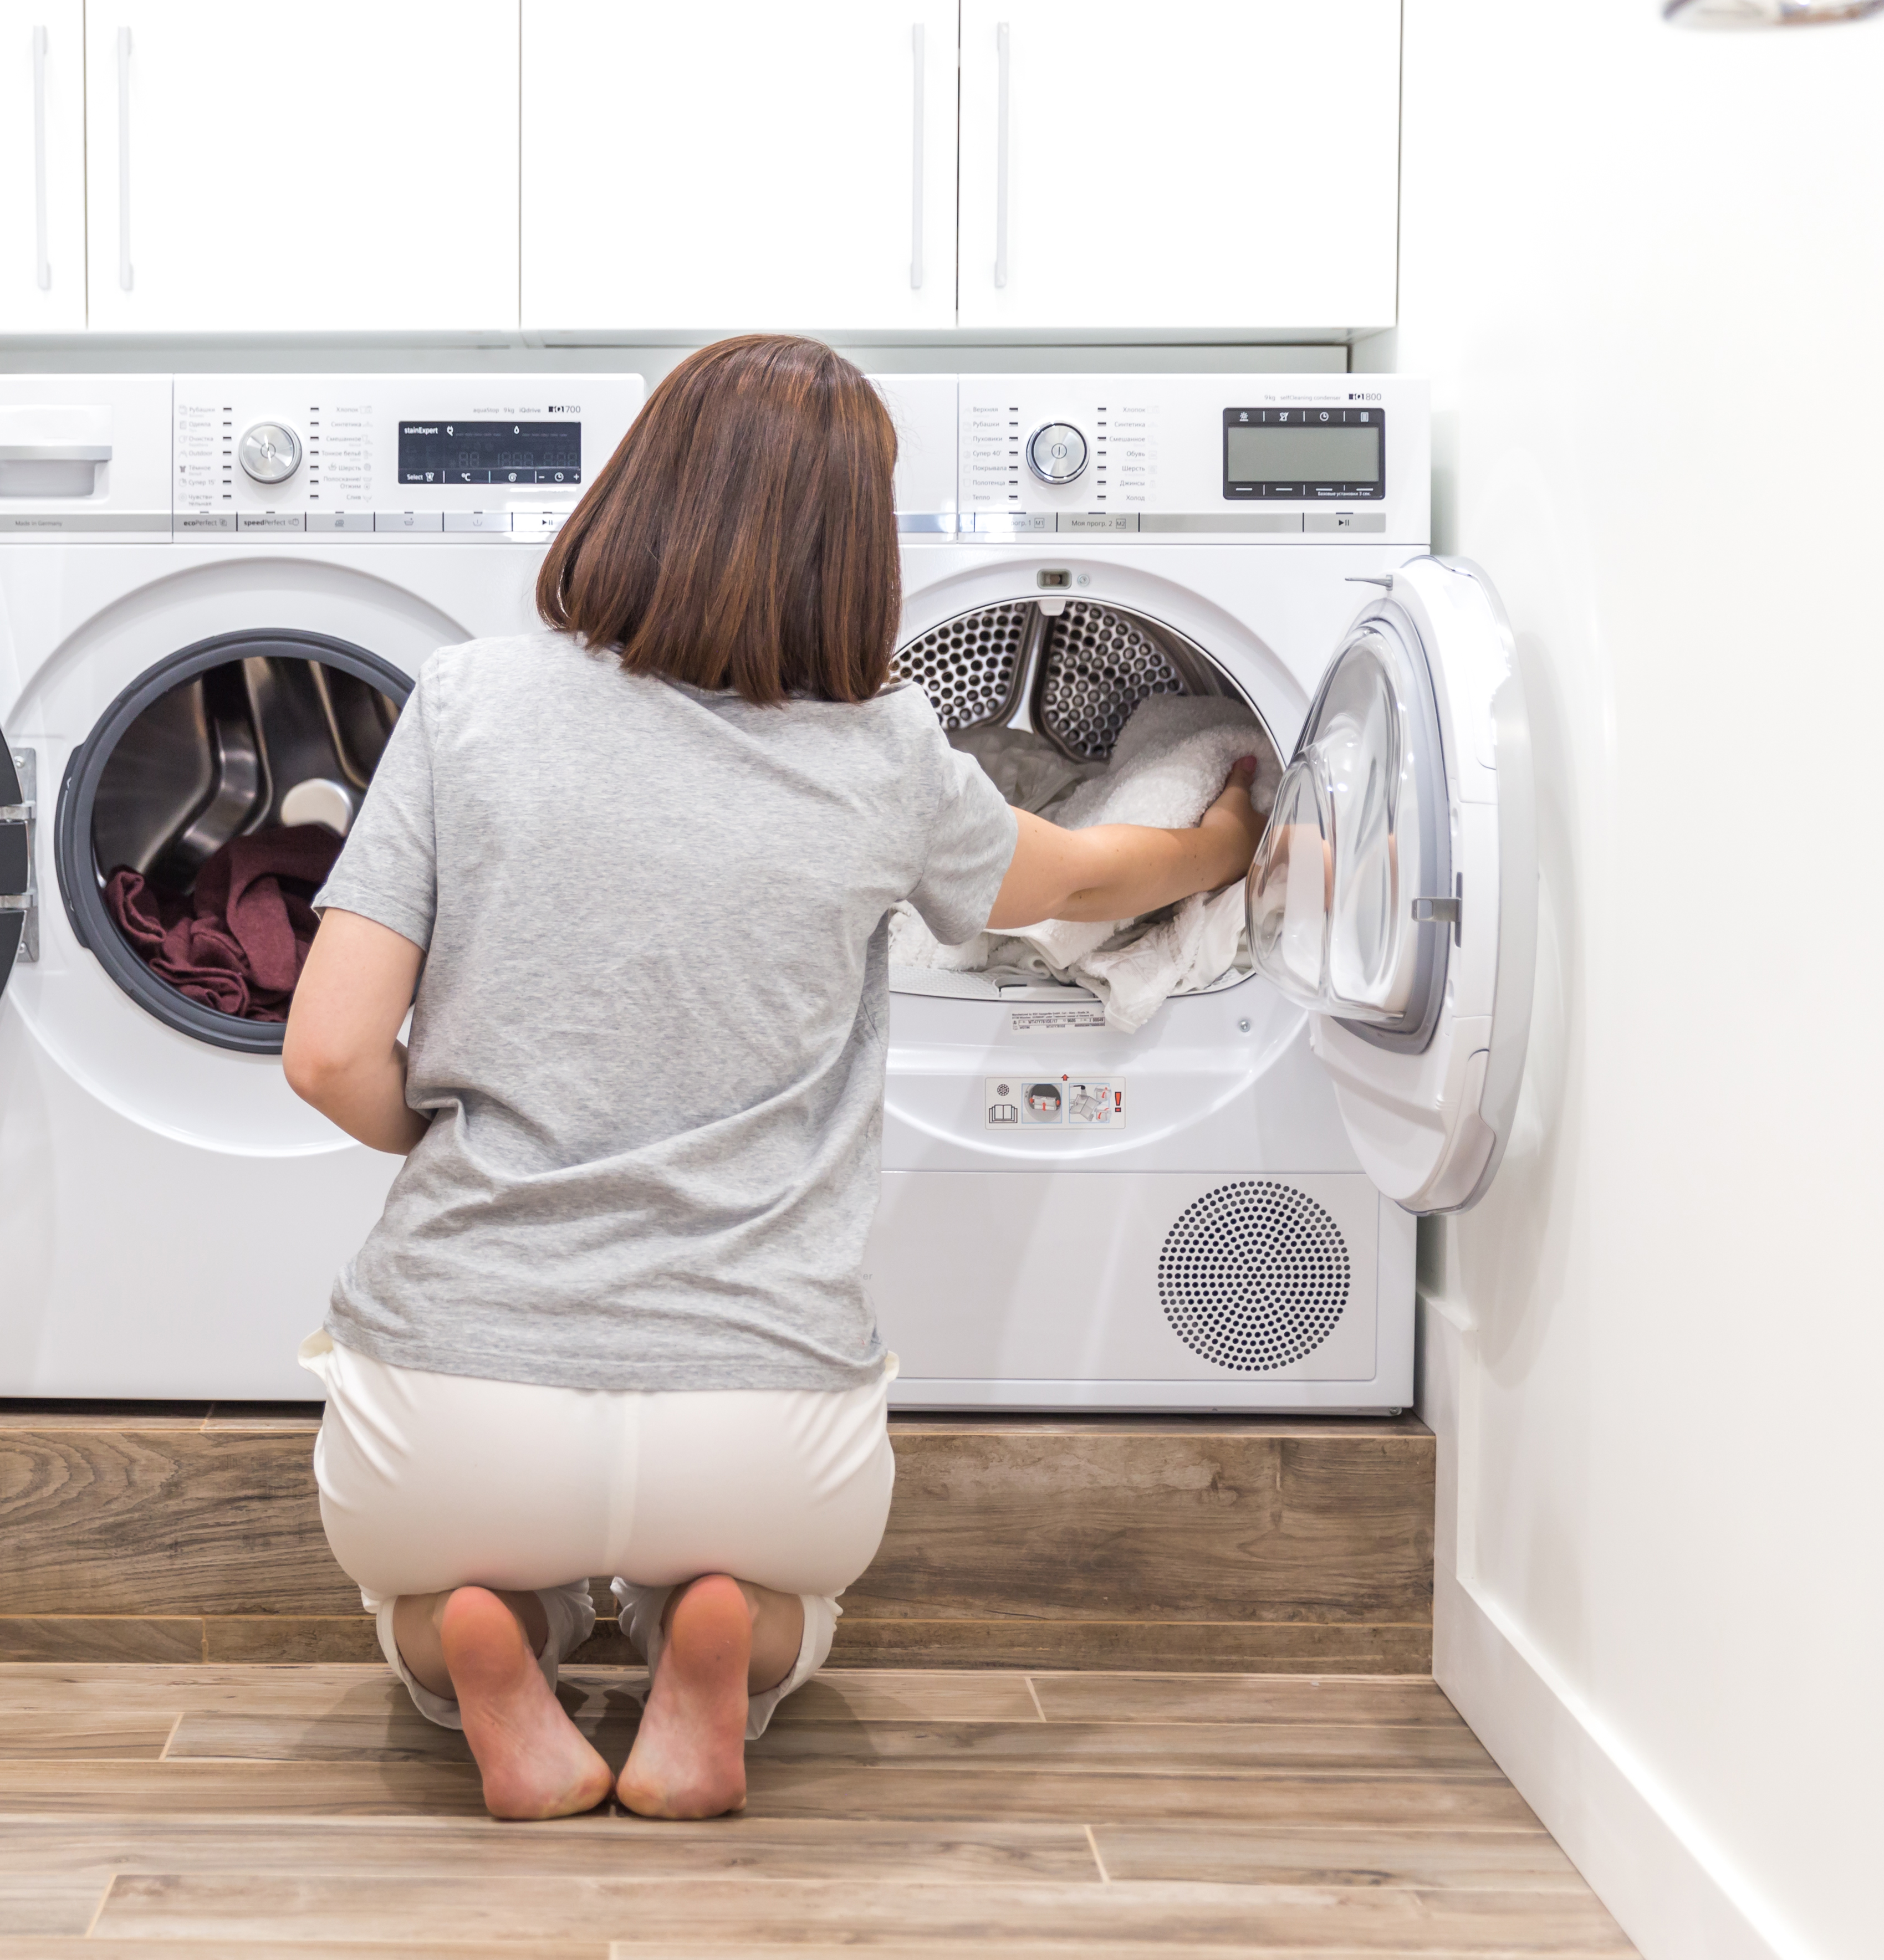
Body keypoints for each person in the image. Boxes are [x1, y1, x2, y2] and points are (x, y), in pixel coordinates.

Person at [279, 334, 1264, 1821]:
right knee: (789, 1605)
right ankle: (720, 1653)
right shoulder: (888, 755)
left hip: (456, 1398)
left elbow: (329, 1050)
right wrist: (1221, 842)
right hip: (758, 1418)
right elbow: (1071, 879)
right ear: (852, 555)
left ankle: (478, 1648)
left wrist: (457, 1133)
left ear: (633, 491)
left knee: (438, 1589)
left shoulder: (467, 703)